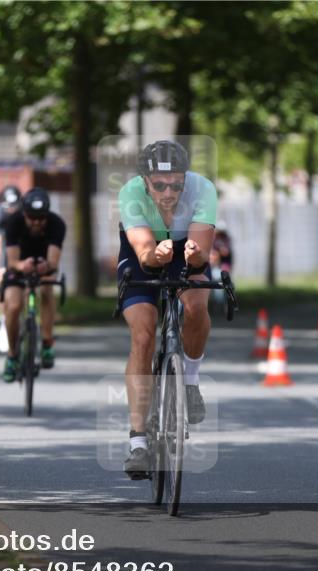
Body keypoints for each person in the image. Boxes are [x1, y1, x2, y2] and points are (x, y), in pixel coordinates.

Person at [117, 140, 217, 480]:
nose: (169, 192)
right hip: (143, 251)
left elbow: (203, 252)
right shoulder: (130, 193)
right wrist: (155, 257)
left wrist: (195, 256)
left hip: (185, 248)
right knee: (143, 334)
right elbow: (144, 251)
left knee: (196, 303)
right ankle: (138, 442)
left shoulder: (203, 189)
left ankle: (189, 381)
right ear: (145, 181)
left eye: (176, 184)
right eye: (159, 185)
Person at [1, 188, 66, 382]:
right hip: (19, 266)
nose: (36, 222)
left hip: (44, 265)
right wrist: (22, 265)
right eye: (32, 218)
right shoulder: (13, 223)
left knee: (47, 288)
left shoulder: (57, 224)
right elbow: (11, 260)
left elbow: (53, 262)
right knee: (13, 306)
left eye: (41, 218)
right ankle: (12, 355)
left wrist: (46, 266)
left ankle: (47, 342)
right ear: (24, 214)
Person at [0, 185, 22, 353]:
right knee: (4, 282)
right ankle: (4, 320)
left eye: (14, 207)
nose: (11, 211)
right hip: (6, 251)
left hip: (24, 248)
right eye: (8, 207)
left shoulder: (26, 213)